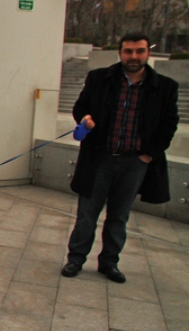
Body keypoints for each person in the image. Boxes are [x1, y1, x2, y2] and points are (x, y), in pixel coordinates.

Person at [62, 32, 179, 284]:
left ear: (148, 53)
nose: (133, 56)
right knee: (87, 214)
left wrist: (149, 155)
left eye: (139, 51)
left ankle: (109, 263)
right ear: (120, 53)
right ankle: (76, 258)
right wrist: (85, 119)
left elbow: (169, 125)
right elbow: (80, 107)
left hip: (134, 162)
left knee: (119, 216)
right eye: (128, 51)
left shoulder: (165, 87)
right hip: (99, 158)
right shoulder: (99, 79)